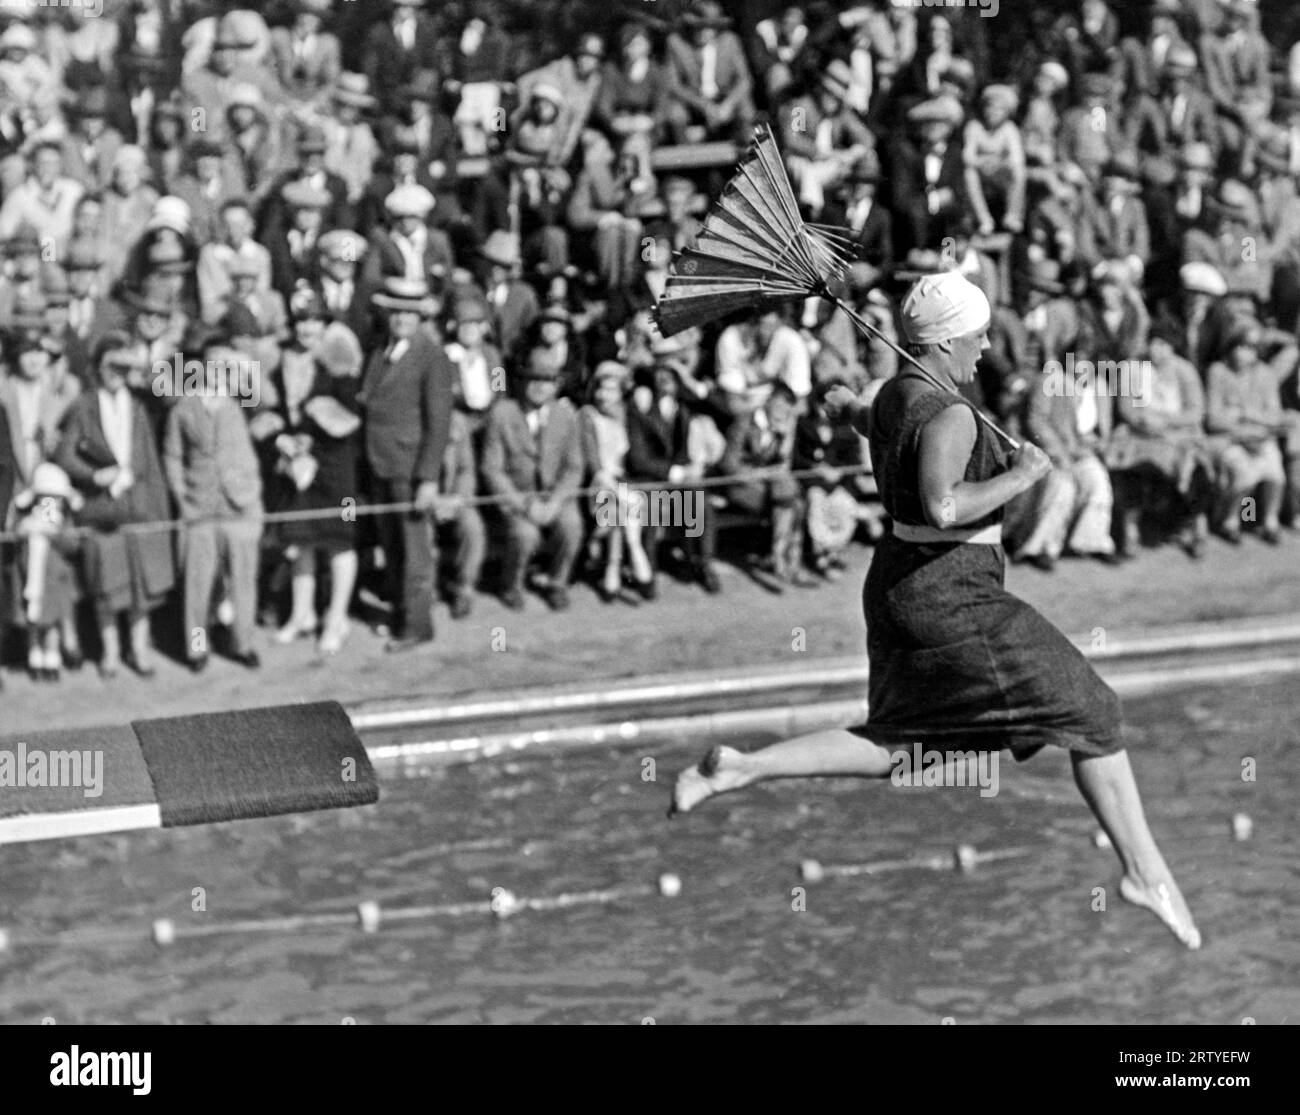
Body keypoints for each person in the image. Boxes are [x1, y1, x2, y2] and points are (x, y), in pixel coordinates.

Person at [671, 270, 1202, 953]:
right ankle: (1143, 870)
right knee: (1092, 710)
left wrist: (843, 407)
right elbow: (943, 504)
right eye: (977, 336)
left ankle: (740, 767)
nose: (984, 348)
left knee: (909, 745)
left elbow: (867, 416)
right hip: (953, 596)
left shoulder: (898, 392)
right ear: (947, 340)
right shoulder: (950, 413)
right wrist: (1021, 476)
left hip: (896, 587)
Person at [56, 332, 175, 678]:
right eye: (110, 367)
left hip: (137, 506)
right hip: (100, 509)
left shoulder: (136, 407)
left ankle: (138, 649)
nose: (116, 374)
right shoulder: (84, 405)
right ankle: (109, 653)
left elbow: (148, 460)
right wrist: (95, 476)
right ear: (96, 368)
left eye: (123, 368)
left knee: (141, 581)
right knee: (107, 582)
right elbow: (64, 455)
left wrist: (155, 507)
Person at [259, 299, 363, 656]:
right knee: (300, 540)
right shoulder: (280, 362)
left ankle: (335, 619)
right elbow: (272, 411)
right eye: (300, 321)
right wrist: (281, 439)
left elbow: (349, 413)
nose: (306, 329)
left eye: (314, 322)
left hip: (334, 464)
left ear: (324, 325)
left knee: (339, 540)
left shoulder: (338, 359)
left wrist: (313, 438)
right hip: (298, 467)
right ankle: (301, 615)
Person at [358, 277, 454, 649]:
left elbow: (439, 423)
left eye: (409, 313)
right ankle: (400, 616)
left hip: (410, 469)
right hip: (380, 464)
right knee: (392, 547)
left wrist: (428, 478)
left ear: (420, 317)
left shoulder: (432, 357)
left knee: (414, 552)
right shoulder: (381, 350)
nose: (401, 319)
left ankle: (416, 626)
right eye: (395, 312)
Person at [162, 342, 263, 672]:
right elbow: (173, 457)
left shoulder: (242, 400)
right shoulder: (182, 409)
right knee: (197, 582)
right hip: (199, 506)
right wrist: (182, 497)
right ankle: (196, 649)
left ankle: (243, 643)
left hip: (241, 503)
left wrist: (240, 361)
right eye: (211, 367)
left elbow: (269, 398)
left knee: (243, 579)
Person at [480, 346, 585, 612]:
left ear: (557, 385)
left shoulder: (566, 415)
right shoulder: (502, 413)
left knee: (572, 526)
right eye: (534, 379)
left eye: (547, 381)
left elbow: (574, 468)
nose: (540, 387)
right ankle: (511, 585)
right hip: (517, 497)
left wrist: (556, 502)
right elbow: (491, 469)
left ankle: (557, 584)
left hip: (553, 496)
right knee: (525, 534)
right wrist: (524, 505)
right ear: (522, 381)